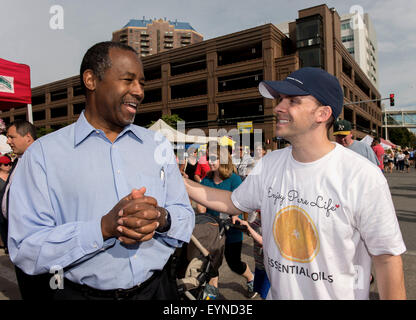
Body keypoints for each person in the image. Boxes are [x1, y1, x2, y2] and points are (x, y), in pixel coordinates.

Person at [183, 67, 406, 300]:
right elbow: (232, 202)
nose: (279, 107)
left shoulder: (362, 176)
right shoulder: (270, 164)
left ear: (322, 113)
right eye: (280, 99)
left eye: (293, 101)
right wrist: (183, 184)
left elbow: (387, 259)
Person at [7, 41, 195, 300]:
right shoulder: (43, 155)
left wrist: (161, 218)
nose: (139, 91)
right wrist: (103, 228)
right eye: (128, 80)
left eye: (141, 82)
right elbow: (25, 248)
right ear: (91, 80)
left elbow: (185, 214)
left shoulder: (158, 144)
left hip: (159, 289)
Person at [196, 144, 256, 299]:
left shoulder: (234, 179)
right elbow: (201, 206)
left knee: (234, 262)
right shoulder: (206, 179)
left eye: (213, 158)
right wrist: (199, 207)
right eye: (209, 158)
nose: (209, 161)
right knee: (211, 260)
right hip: (212, 229)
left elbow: (243, 203)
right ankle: (212, 287)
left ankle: (251, 278)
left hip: (232, 229)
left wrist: (236, 214)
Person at [0, 120, 39, 297]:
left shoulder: (40, 162)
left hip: (33, 240)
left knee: (37, 289)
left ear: (28, 137)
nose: (8, 141)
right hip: (16, 238)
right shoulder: (19, 160)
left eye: (11, 137)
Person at [235, 211, 270, 299]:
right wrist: (237, 222)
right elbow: (247, 228)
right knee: (260, 290)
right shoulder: (257, 222)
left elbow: (263, 241)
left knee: (266, 295)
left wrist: (248, 228)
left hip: (270, 269)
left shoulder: (273, 224)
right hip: (259, 265)